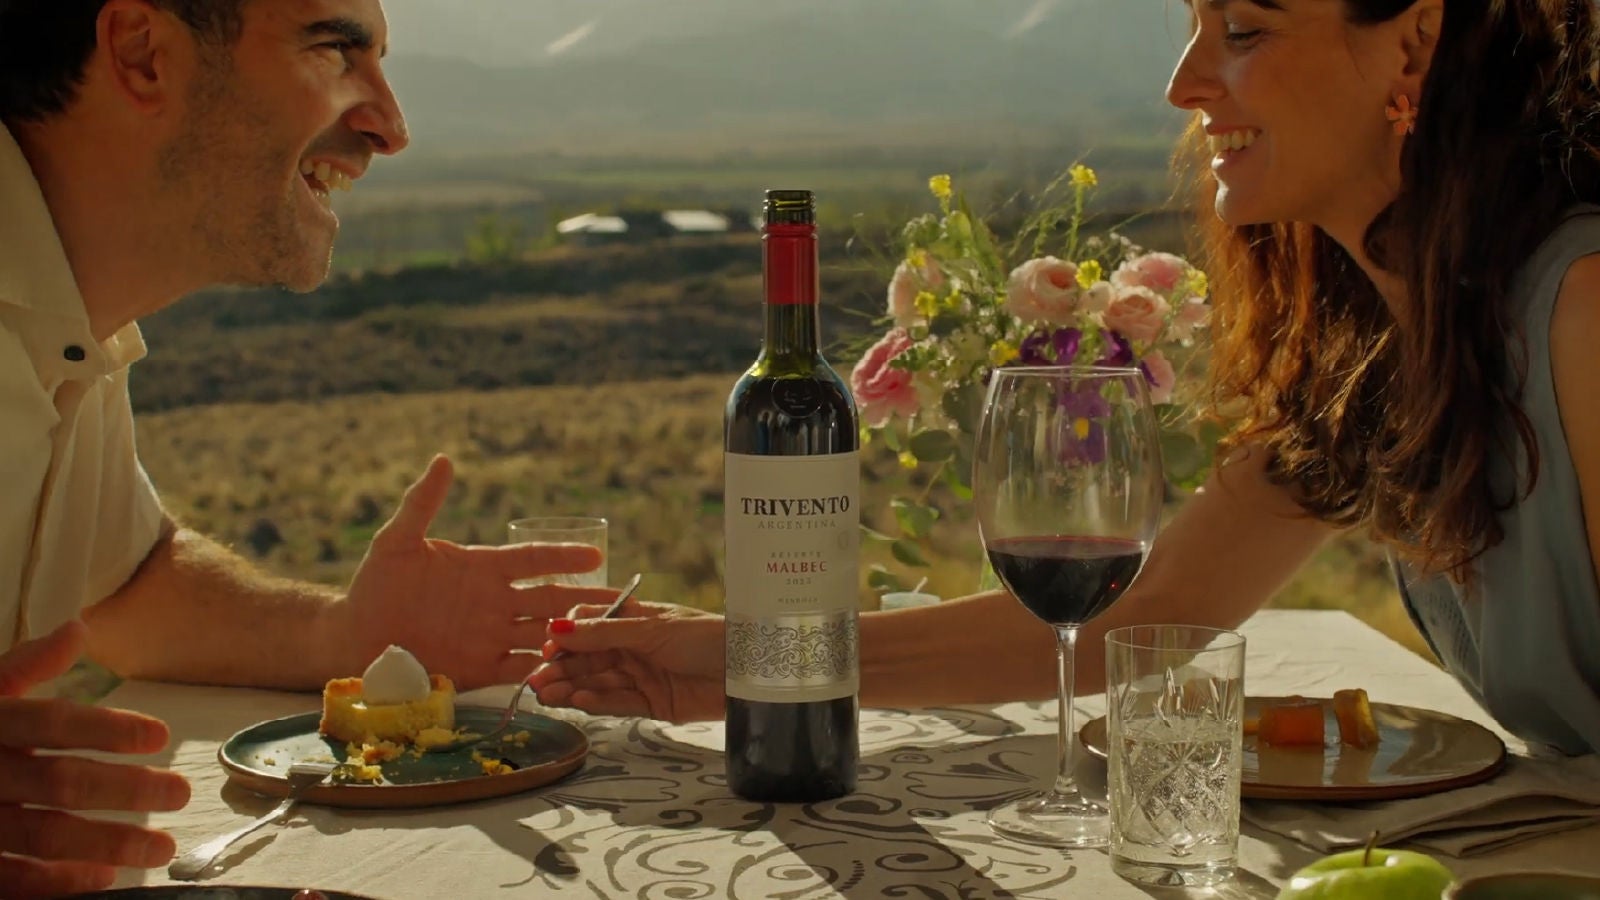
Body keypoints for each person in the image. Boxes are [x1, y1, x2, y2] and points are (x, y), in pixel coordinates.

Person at [532, 0, 1600, 759]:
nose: (1182, 83)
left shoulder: (1580, 311)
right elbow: (1149, 613)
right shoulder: (1380, 352)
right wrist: (728, 660)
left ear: (1412, 39)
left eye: (1243, 30)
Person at [0, 1, 610, 894]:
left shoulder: (71, 324)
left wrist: (344, 634)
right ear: (142, 55)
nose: (390, 128)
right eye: (333, 49)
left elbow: (127, 583)